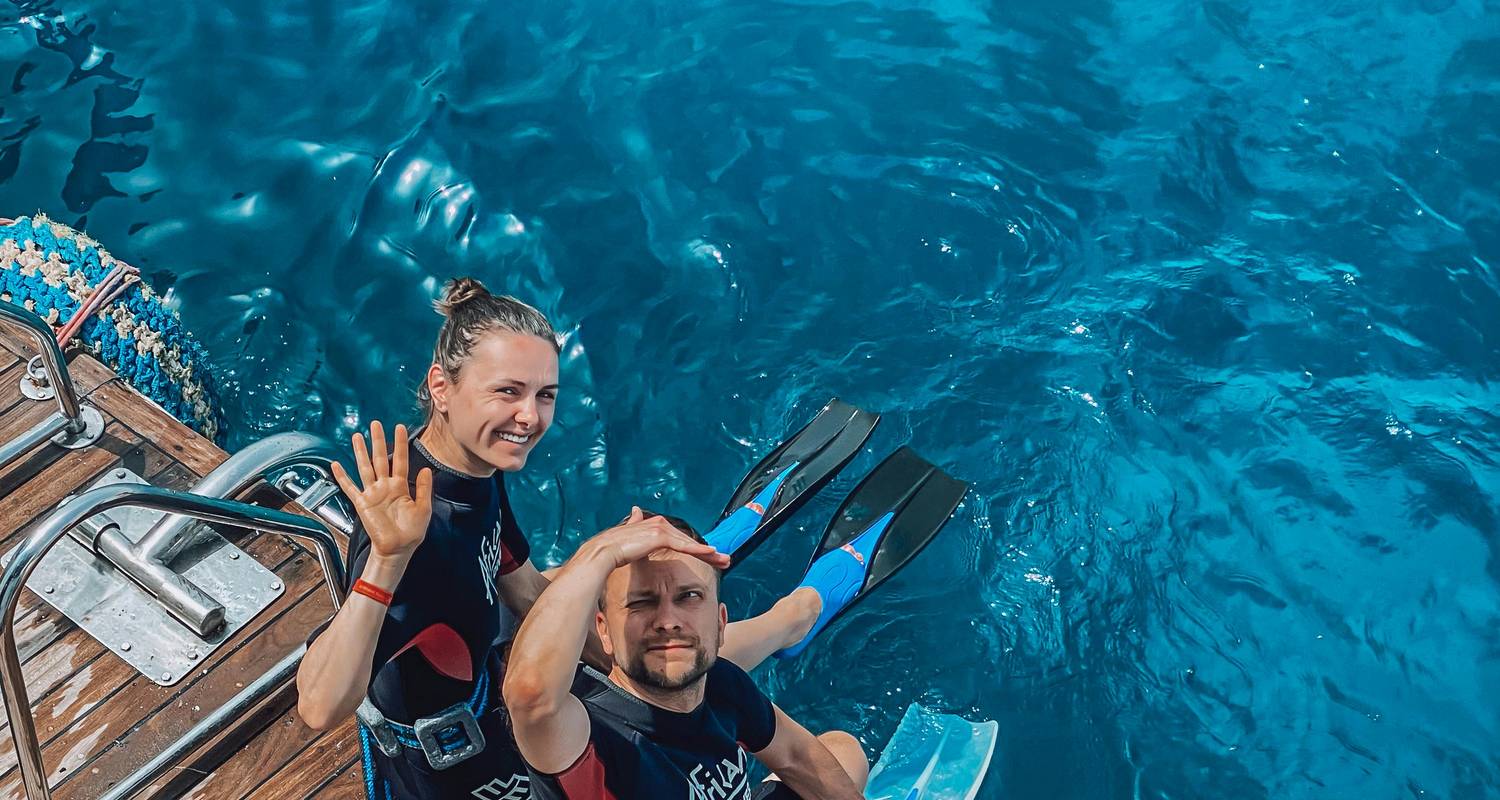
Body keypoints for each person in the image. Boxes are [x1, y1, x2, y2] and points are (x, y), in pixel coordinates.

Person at [294, 279, 859, 799]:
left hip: (488, 674)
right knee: (666, 655)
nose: (530, 417)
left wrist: (625, 598)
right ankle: (785, 616)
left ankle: (736, 605)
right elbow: (319, 707)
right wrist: (386, 563)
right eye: (508, 392)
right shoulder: (414, 532)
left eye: (545, 395)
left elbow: (521, 588)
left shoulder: (478, 470)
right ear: (441, 386)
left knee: (660, 649)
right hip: (471, 764)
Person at [504, 509, 870, 800]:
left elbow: (796, 756)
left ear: (721, 622)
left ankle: (791, 619)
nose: (667, 621)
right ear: (603, 630)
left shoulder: (721, 682)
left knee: (842, 751)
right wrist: (601, 553)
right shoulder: (592, 739)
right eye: (641, 602)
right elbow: (532, 698)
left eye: (688, 597)